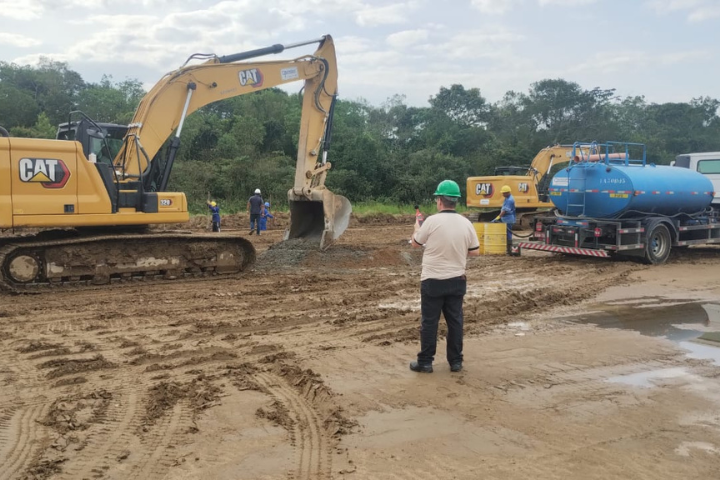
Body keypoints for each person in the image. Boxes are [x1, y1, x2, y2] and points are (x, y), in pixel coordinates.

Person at [409, 180, 480, 373]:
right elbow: (474, 251)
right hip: (457, 279)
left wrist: (417, 227)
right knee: (455, 321)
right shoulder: (466, 223)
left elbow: (415, 244)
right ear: (455, 201)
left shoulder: (431, 221)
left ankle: (425, 362)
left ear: (440, 201)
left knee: (429, 322)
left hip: (432, 281)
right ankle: (455, 362)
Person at [492, 185, 517, 256]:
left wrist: (498, 218)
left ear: (507, 192)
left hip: (508, 219)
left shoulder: (509, 200)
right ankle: (508, 249)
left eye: (503, 193)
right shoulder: (507, 198)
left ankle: (510, 250)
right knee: (506, 234)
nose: (502, 194)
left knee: (508, 234)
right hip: (506, 219)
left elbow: (504, 211)